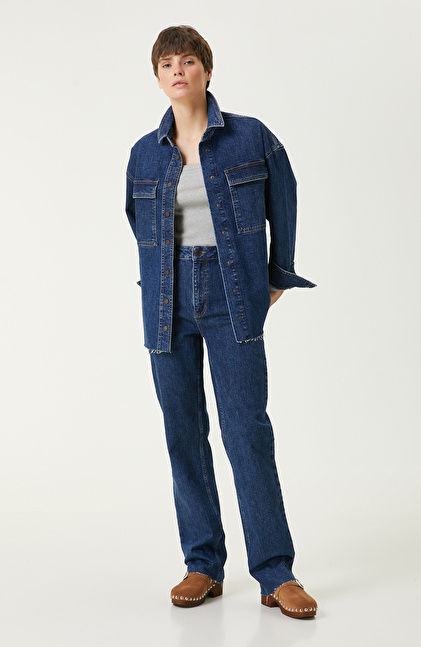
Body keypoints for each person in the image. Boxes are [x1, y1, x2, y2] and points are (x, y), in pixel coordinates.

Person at [125, 25, 318, 619]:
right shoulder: (144, 152)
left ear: (207, 71)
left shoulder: (250, 137)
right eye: (166, 64)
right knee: (183, 434)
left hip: (233, 295)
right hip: (165, 302)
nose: (177, 71)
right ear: (157, 77)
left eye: (188, 61)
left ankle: (275, 572)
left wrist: (277, 275)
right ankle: (203, 564)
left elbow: (284, 200)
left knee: (246, 431)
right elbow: (136, 222)